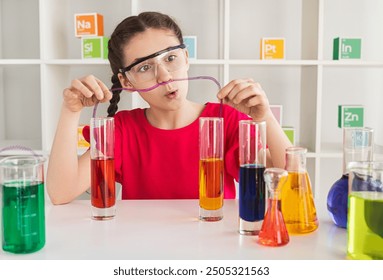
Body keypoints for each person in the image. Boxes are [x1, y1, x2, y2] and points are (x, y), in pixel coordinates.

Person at [46, 11, 292, 204]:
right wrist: (70, 111)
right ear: (126, 82)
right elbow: (61, 193)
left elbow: (289, 182)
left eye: (170, 58)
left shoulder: (224, 120)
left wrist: (265, 118)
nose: (164, 76)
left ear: (186, 58)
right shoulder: (121, 130)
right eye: (144, 67)